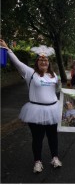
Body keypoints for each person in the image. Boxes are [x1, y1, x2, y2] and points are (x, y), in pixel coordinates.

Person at [0, 39, 62, 173]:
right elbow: (17, 63)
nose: (44, 62)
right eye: (41, 60)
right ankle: (37, 161)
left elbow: (56, 91)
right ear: (37, 62)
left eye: (46, 60)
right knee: (37, 138)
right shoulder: (30, 73)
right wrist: (7, 49)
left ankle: (55, 157)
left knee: (53, 137)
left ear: (49, 63)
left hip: (52, 109)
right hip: (36, 110)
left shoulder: (53, 75)